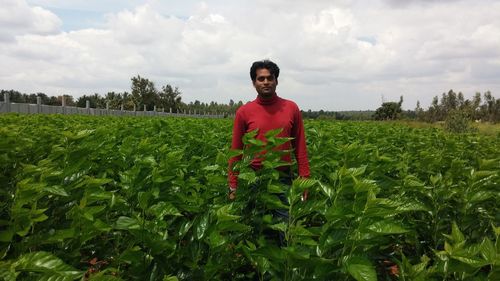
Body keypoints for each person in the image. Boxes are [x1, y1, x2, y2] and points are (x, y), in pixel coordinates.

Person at [228, 59, 310, 201]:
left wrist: (304, 177)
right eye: (261, 79)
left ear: (276, 81)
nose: (266, 82)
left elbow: (300, 147)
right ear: (254, 83)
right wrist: (233, 185)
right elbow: (236, 151)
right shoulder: (244, 112)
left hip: (282, 178)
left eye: (270, 78)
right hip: (253, 179)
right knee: (254, 221)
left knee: (284, 220)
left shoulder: (291, 108)